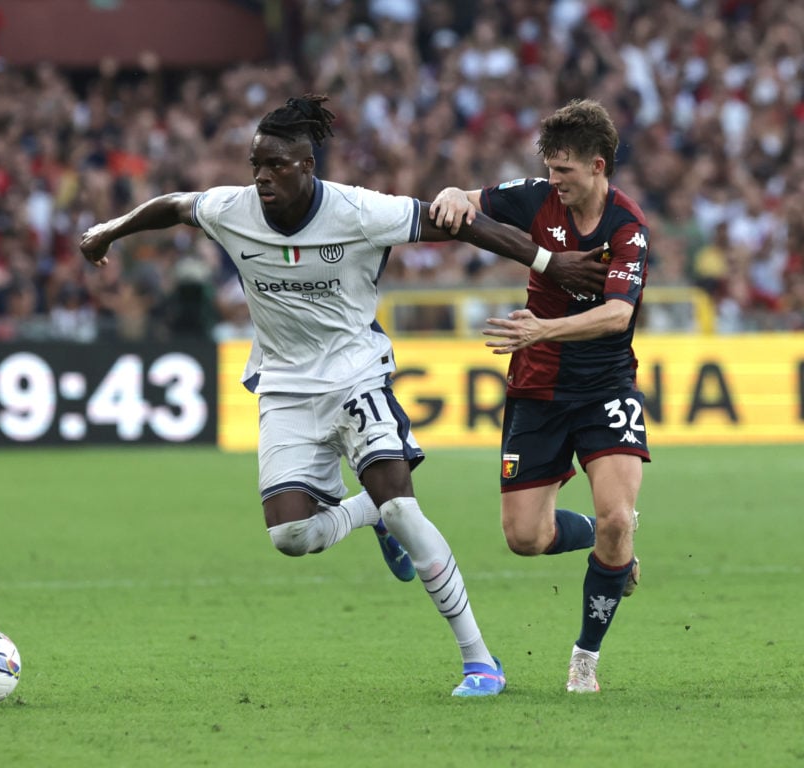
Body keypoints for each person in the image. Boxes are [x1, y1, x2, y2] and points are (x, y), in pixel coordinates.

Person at [80, 94, 606, 697]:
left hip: (358, 375)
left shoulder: (357, 211)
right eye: (255, 163)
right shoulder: (233, 209)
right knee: (291, 538)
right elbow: (174, 206)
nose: (260, 176)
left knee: (404, 507)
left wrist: (548, 262)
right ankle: (368, 512)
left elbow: (462, 226)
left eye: (274, 165)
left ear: (307, 165)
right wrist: (110, 230)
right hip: (284, 389)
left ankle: (480, 661)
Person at [430, 98, 648, 693]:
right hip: (537, 388)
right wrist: (452, 193)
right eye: (550, 169)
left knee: (617, 516)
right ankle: (617, 550)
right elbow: (469, 200)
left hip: (605, 387)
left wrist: (541, 327)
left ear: (598, 167)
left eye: (565, 172)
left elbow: (616, 315)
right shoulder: (535, 197)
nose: (554, 181)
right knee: (525, 538)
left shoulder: (627, 228)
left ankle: (585, 658)